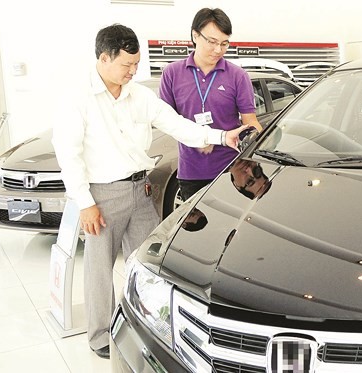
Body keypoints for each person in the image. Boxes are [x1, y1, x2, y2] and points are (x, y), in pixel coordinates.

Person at [51, 23, 247, 359]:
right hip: (102, 195)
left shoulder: (139, 95)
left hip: (141, 191)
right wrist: (85, 203)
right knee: (98, 269)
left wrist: (220, 137)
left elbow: (176, 124)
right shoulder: (78, 100)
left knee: (148, 264)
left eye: (136, 65)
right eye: (126, 65)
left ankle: (148, 325)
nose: (132, 71)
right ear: (103, 58)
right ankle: (100, 336)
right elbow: (68, 154)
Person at [159, 7, 263, 202]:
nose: (218, 50)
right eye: (212, 42)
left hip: (231, 170)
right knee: (196, 231)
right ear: (195, 35)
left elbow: (250, 122)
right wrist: (200, 138)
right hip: (190, 172)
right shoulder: (172, 74)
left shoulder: (238, 76)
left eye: (224, 44)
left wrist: (261, 144)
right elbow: (167, 122)